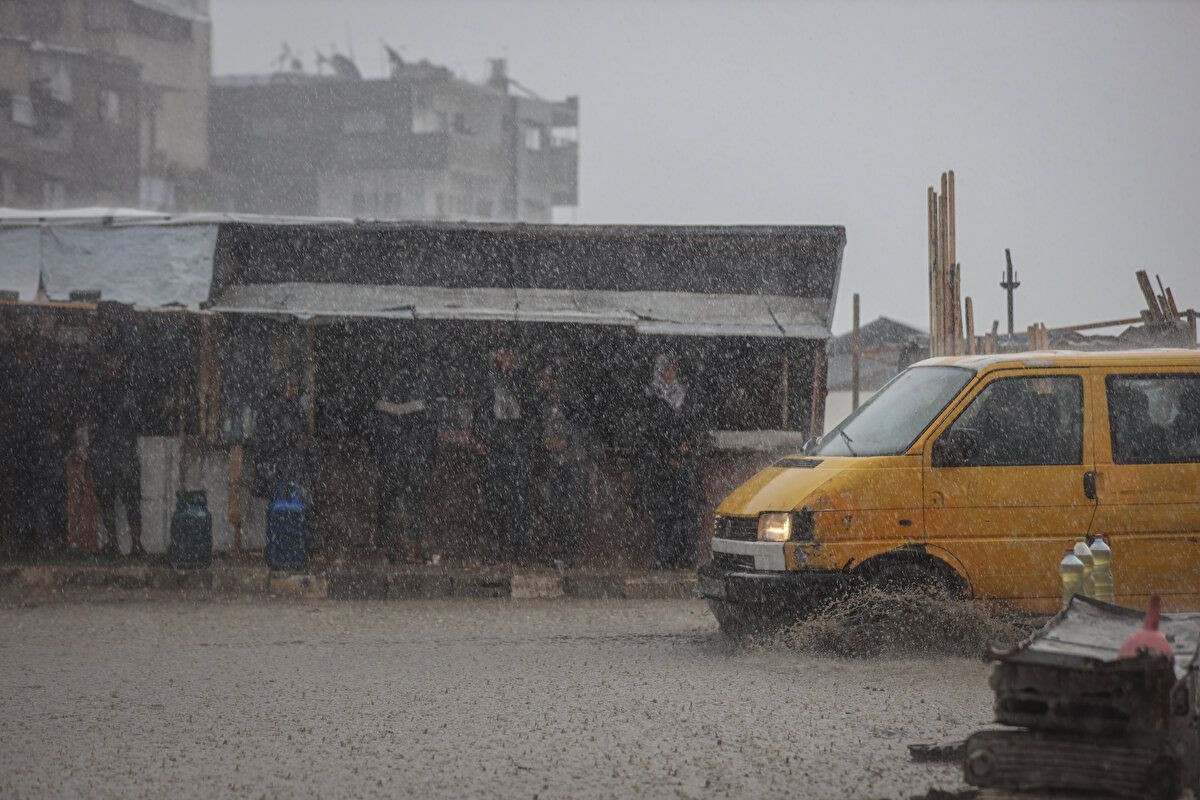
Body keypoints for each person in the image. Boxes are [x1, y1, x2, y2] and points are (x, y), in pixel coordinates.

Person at [640, 352, 704, 570]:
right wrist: (667, 455)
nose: (670, 373)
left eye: (673, 368)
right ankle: (664, 557)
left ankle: (684, 557)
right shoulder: (652, 397)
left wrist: (686, 448)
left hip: (684, 465)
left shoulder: (685, 396)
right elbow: (651, 433)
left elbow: (694, 427)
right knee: (664, 514)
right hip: (661, 466)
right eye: (666, 369)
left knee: (684, 512)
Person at [373, 356, 435, 563]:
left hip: (398, 456)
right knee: (407, 503)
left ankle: (393, 548)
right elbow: (426, 428)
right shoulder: (420, 386)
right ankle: (403, 548)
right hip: (406, 457)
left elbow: (382, 428)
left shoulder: (389, 385)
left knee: (396, 503)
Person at [475, 342, 533, 565]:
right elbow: (481, 408)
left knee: (520, 502)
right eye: (502, 354)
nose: (505, 358)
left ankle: (519, 551)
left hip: (517, 448)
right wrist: (480, 437)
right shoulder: (489, 378)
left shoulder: (523, 379)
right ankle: (495, 549)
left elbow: (531, 412)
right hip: (495, 447)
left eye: (509, 353)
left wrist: (526, 441)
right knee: (494, 501)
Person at [533, 361, 592, 568]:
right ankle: (559, 551)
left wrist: (567, 441)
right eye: (541, 379)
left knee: (573, 507)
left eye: (547, 379)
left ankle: (570, 552)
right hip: (554, 462)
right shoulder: (542, 403)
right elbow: (538, 428)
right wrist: (545, 441)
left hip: (573, 461)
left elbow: (583, 425)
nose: (543, 383)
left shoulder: (572, 401)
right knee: (554, 507)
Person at [87, 348, 144, 558]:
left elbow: (135, 418)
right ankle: (112, 542)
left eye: (114, 359)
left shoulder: (128, 386)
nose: (111, 365)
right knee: (106, 497)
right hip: (105, 450)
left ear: (120, 361)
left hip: (123, 449)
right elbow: (93, 420)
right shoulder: (98, 388)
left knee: (132, 498)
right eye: (107, 359)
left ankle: (136, 544)